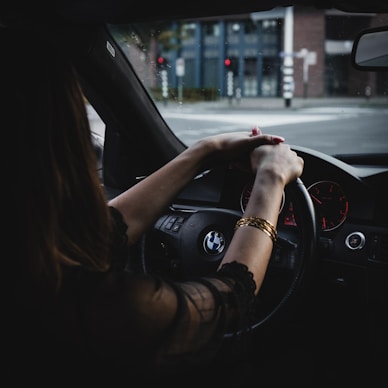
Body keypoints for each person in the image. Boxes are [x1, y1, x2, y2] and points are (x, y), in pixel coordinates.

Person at [7, 26, 304, 387]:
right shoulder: (98, 309)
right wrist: (271, 180)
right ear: (57, 146)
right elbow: (231, 301)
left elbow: (104, 233)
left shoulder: (25, 264)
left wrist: (204, 151)